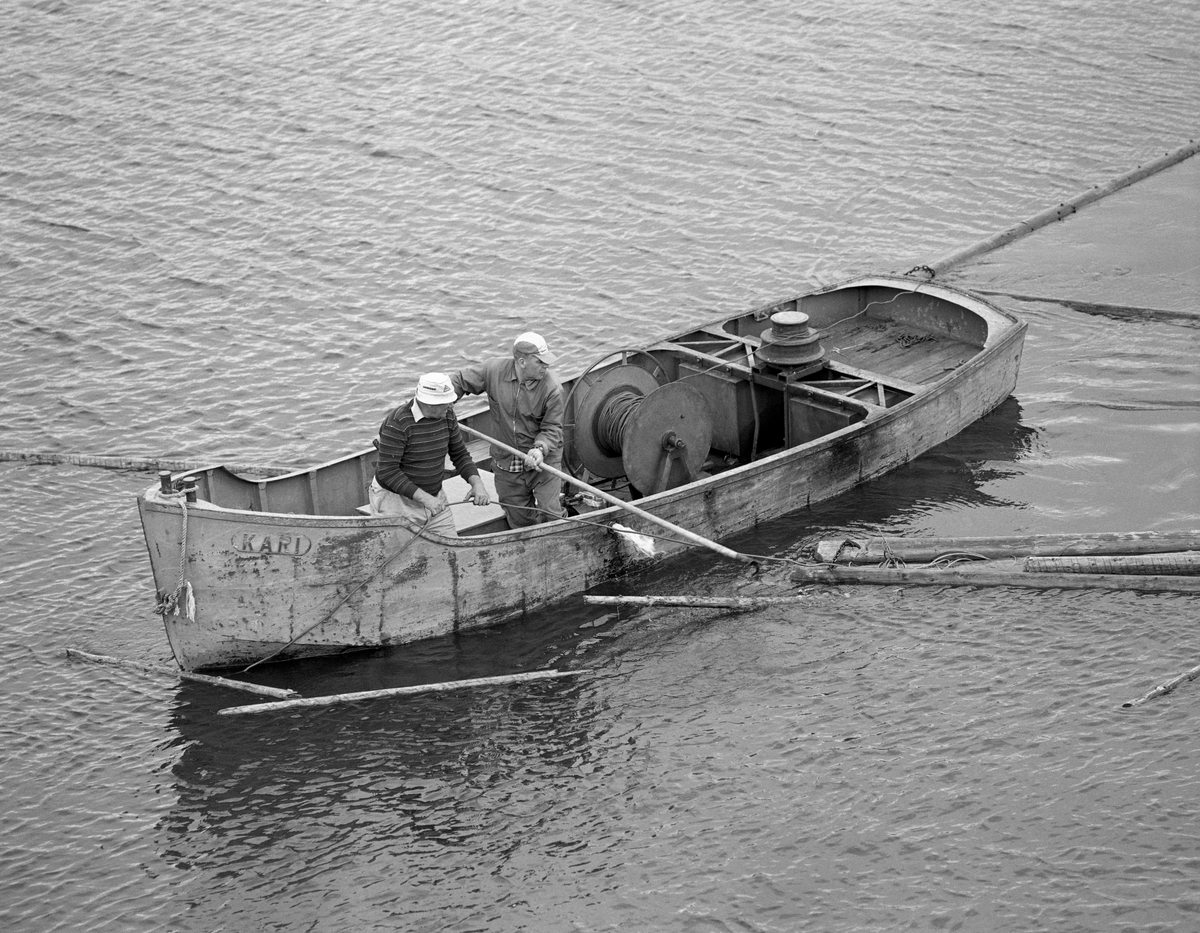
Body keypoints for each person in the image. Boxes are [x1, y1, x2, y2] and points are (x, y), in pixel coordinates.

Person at [451, 332, 565, 529]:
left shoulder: (552, 388)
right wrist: (442, 402)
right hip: (506, 463)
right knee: (520, 520)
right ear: (522, 362)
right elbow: (459, 381)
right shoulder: (493, 371)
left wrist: (539, 449)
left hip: (542, 462)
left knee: (551, 513)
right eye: (540, 362)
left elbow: (552, 428)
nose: (546, 366)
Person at [368, 372, 490, 536]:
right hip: (396, 504)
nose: (451, 406)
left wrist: (477, 484)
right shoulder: (398, 423)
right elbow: (387, 471)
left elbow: (459, 454)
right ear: (430, 403)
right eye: (446, 402)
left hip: (435, 499)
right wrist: (426, 499)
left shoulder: (447, 416)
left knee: (450, 552)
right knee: (399, 559)